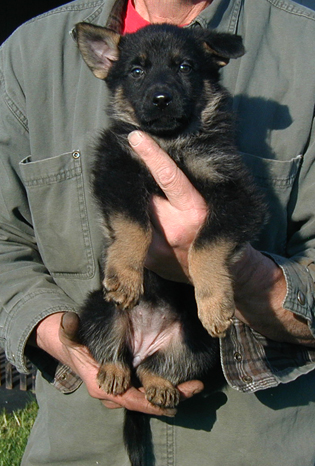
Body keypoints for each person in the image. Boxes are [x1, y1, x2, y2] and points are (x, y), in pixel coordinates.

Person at [1, 0, 315, 464]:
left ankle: (158, 373)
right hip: (79, 445)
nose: (162, 89)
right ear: (107, 64)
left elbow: (237, 206)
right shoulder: (28, 56)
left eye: (184, 67)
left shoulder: (302, 46)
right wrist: (61, 342)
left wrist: (233, 271)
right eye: (140, 72)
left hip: (249, 441)